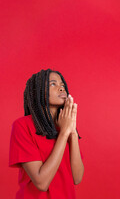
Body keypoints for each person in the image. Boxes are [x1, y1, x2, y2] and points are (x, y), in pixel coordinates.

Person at [9, 68, 84, 199]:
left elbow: (77, 178)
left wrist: (71, 132)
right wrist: (64, 134)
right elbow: (41, 183)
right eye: (53, 84)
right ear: (38, 92)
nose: (61, 88)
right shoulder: (22, 126)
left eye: (62, 85)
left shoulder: (65, 125)